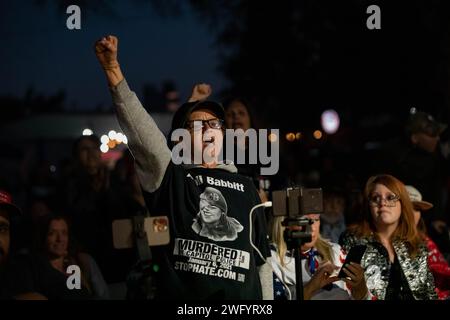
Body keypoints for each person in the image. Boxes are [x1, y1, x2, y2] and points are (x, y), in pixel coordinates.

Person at [94, 35, 271, 300]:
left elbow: (262, 264)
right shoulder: (171, 175)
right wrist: (113, 71)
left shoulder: (247, 187)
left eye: (215, 124)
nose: (209, 130)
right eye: (198, 125)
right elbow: (143, 133)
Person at [340, 174, 437, 300]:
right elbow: (343, 290)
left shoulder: (416, 243)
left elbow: (429, 294)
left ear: (403, 204)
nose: (383, 203)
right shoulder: (353, 240)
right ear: (368, 206)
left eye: (390, 197)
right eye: (375, 198)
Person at [269, 214, 370, 300]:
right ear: (285, 223)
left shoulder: (335, 251)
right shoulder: (271, 259)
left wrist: (360, 286)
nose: (312, 228)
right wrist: (311, 287)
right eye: (305, 221)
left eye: (316, 219)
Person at [34, 215, 109, 299]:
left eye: (64, 233)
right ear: (43, 237)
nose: (60, 239)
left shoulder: (78, 263)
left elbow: (102, 295)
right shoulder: (36, 270)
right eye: (52, 233)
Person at [405, 185, 450, 300]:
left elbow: (443, 273)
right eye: (408, 207)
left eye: (417, 209)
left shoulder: (424, 240)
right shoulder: (381, 243)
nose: (413, 214)